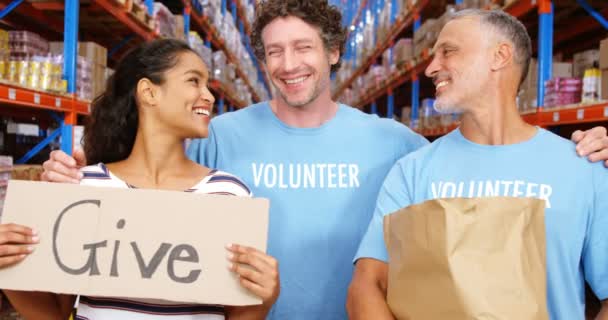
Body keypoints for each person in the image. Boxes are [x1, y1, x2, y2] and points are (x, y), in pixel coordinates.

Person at [39, 1, 608, 319]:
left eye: (304, 47)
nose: (289, 64)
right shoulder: (219, 133)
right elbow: (142, 172)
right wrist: (73, 174)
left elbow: (488, 160)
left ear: (334, 54)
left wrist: (584, 149)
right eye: (273, 52)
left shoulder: (401, 147)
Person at [348, 9, 607, 320]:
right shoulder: (412, 172)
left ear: (499, 56)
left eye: (448, 52)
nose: (431, 68)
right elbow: (367, 285)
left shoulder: (582, 165)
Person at [3, 39, 279, 320]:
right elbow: (57, 314)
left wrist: (262, 300)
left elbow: (238, 311)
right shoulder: (86, 188)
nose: (207, 96)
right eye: (194, 81)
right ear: (149, 92)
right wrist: (8, 272)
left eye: (206, 84)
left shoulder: (229, 194)